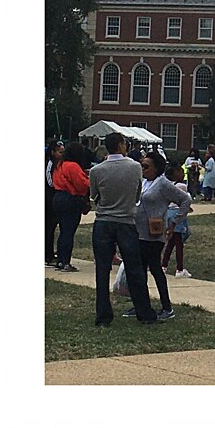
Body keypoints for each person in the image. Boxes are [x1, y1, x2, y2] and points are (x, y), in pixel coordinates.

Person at [89, 131, 160, 326]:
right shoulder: (135, 167)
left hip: (103, 222)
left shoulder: (96, 170)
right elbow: (137, 194)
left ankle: (103, 316)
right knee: (135, 269)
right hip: (126, 222)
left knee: (102, 270)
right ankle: (145, 313)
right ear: (121, 145)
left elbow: (94, 195)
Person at [127, 150, 191, 321]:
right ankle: (141, 304)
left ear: (156, 168)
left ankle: (167, 307)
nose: (143, 169)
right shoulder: (143, 182)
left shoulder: (163, 184)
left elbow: (185, 200)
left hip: (154, 234)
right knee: (140, 270)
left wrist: (174, 223)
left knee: (154, 268)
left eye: (146, 166)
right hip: (138, 231)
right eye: (142, 166)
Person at [51, 141, 90, 271]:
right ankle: (66, 261)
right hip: (70, 199)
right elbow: (82, 185)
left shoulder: (60, 165)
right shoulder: (73, 166)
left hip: (58, 197)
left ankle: (61, 260)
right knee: (69, 231)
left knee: (63, 231)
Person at [161, 164, 193, 277]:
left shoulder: (168, 184)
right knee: (179, 242)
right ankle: (179, 269)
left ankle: (164, 265)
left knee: (171, 242)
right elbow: (185, 200)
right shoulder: (181, 186)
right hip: (177, 213)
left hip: (169, 212)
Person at [45, 140, 64, 266]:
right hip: (49, 198)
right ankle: (48, 254)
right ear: (52, 152)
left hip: (52, 198)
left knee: (51, 227)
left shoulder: (58, 164)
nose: (62, 154)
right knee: (48, 228)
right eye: (59, 152)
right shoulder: (50, 164)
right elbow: (50, 181)